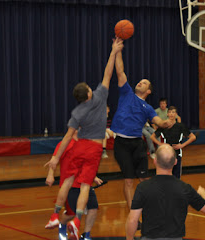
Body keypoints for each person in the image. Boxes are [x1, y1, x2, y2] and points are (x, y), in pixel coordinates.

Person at [44, 38, 124, 239]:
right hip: (94, 149)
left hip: (79, 147)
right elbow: (108, 73)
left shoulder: (77, 112)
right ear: (89, 92)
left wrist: (55, 159)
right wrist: (114, 51)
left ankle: (55, 215)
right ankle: (77, 220)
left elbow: (66, 138)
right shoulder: (99, 96)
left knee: (68, 182)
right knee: (86, 186)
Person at [110, 43, 174, 226]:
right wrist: (118, 51)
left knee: (145, 179)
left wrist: (167, 123)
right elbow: (120, 72)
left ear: (148, 91)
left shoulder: (147, 108)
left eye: (144, 83)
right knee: (129, 180)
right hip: (122, 143)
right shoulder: (126, 93)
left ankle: (151, 208)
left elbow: (158, 122)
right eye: (140, 81)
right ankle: (134, 216)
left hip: (137, 144)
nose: (140, 82)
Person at [125, 144, 205, 240]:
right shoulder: (185, 188)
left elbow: (133, 219)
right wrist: (204, 194)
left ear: (155, 161)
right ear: (175, 162)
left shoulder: (143, 187)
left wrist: (129, 238)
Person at [45, 135, 105, 240]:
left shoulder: (85, 144)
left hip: (85, 183)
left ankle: (86, 235)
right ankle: (62, 224)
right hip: (70, 185)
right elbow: (54, 159)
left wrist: (93, 176)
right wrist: (50, 175)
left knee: (93, 208)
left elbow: (87, 164)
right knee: (71, 214)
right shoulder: (65, 144)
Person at [150, 106, 196, 179]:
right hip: (166, 153)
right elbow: (152, 137)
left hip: (177, 153)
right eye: (170, 112)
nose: (171, 114)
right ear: (167, 114)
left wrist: (182, 145)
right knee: (166, 175)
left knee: (176, 176)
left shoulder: (180, 126)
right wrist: (160, 144)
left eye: (173, 112)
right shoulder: (163, 125)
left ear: (176, 114)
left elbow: (193, 137)